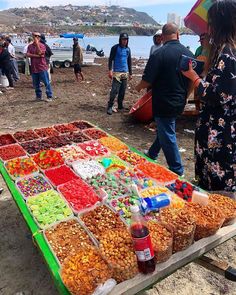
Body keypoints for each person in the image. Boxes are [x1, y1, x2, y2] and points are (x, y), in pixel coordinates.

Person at [182, 0, 236, 192]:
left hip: (220, 136)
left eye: (211, 22)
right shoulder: (225, 51)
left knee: (218, 191)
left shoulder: (228, 54)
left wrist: (194, 78)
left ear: (219, 24)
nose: (209, 27)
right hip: (219, 132)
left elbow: (216, 95)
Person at [135, 23, 194, 176]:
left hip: (163, 101)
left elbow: (147, 81)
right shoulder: (188, 54)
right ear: (178, 34)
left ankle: (177, 169)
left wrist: (138, 87)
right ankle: (152, 153)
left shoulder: (158, 54)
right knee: (166, 127)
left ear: (162, 37)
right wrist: (186, 97)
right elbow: (193, 80)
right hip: (180, 100)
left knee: (167, 132)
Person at [107, 32, 132, 115]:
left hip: (125, 72)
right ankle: (110, 106)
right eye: (123, 39)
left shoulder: (128, 49)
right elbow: (110, 59)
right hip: (117, 72)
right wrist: (110, 70)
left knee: (122, 91)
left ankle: (120, 105)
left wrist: (130, 73)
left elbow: (129, 61)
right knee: (114, 90)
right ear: (120, 40)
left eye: (126, 39)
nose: (125, 41)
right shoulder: (115, 48)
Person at [27, 32, 54, 101]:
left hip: (42, 67)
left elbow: (41, 54)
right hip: (34, 67)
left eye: (38, 36)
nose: (36, 37)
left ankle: (49, 96)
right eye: (35, 36)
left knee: (46, 82)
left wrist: (37, 44)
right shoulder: (30, 46)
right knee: (36, 84)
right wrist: (37, 56)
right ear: (32, 37)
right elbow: (27, 54)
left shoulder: (42, 45)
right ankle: (38, 96)